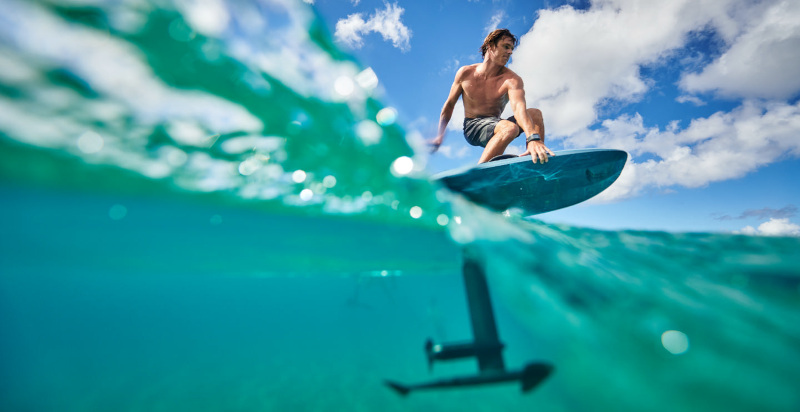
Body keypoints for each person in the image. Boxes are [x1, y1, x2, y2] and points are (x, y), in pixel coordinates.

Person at [429, 29, 554, 164]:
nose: (510, 52)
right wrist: (439, 135)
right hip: (473, 126)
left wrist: (533, 138)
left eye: (511, 48)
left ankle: (536, 158)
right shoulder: (466, 73)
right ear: (490, 46)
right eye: (506, 47)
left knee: (535, 114)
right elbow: (449, 105)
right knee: (509, 128)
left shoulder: (512, 80)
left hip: (497, 124)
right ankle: (480, 172)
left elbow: (518, 108)